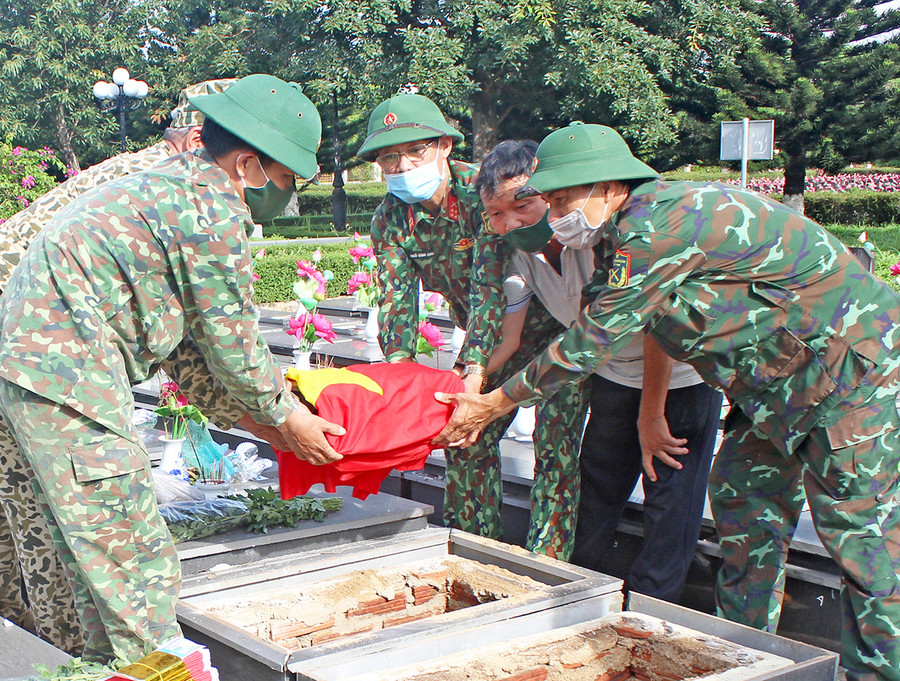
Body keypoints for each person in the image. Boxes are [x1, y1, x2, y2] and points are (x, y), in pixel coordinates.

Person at [436, 122, 900, 681]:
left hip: (850, 375)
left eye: (562, 198)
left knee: (861, 545)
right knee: (742, 506)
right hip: (772, 389)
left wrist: (492, 404)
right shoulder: (614, 236)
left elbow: (591, 340)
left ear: (608, 187)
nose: (555, 212)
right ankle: (755, 662)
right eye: (550, 199)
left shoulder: (658, 223)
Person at [0, 73, 345, 664]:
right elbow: (233, 343)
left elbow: (189, 350)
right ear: (246, 165)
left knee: (90, 557)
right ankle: (162, 672)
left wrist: (264, 423)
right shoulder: (210, 210)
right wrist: (287, 418)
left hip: (40, 373)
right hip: (65, 375)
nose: (286, 197)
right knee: (133, 555)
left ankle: (109, 670)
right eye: (285, 180)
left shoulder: (166, 189)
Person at [475, 140, 722, 602]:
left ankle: (652, 617)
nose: (511, 223)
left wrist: (651, 414)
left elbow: (655, 327)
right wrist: (467, 386)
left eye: (524, 205)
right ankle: (586, 603)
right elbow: (506, 338)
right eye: (495, 213)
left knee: (670, 507)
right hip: (613, 377)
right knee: (595, 494)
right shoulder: (520, 255)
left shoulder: (604, 234)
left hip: (677, 384)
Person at [359, 94, 587, 559]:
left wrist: (473, 371)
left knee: (555, 447)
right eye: (389, 157)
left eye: (415, 152)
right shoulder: (389, 219)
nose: (403, 166)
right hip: (494, 344)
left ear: (444, 145)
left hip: (546, 330)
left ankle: (549, 562)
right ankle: (474, 548)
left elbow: (489, 290)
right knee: (467, 438)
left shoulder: (482, 191)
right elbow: (396, 299)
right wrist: (403, 375)